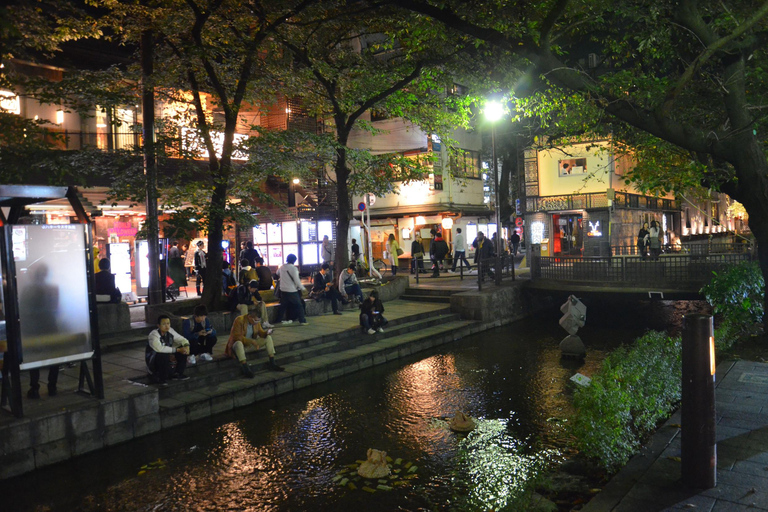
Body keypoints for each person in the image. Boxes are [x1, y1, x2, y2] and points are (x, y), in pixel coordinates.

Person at [225, 309, 284, 377]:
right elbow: (237, 337)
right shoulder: (239, 320)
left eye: (258, 320)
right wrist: (251, 341)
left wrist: (267, 332)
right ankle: (245, 368)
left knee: (268, 338)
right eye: (255, 320)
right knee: (239, 344)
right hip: (239, 345)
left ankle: (272, 363)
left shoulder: (256, 322)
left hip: (251, 344)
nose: (257, 322)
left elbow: (261, 333)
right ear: (249, 317)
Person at [145, 314, 190, 385]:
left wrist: (186, 347)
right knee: (163, 355)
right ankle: (161, 378)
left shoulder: (170, 331)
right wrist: (177, 350)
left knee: (183, 351)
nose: (166, 326)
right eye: (164, 324)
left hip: (167, 355)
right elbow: (159, 348)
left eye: (168, 323)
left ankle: (177, 373)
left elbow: (183, 340)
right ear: (158, 325)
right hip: (154, 359)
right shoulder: (153, 335)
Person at [275, 254, 307, 325]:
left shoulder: (282, 267)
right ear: (294, 260)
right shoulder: (294, 268)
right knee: (299, 305)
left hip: (283, 290)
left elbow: (277, 273)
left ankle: (278, 320)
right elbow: (297, 280)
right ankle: (302, 320)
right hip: (292, 290)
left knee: (282, 306)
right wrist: (302, 288)